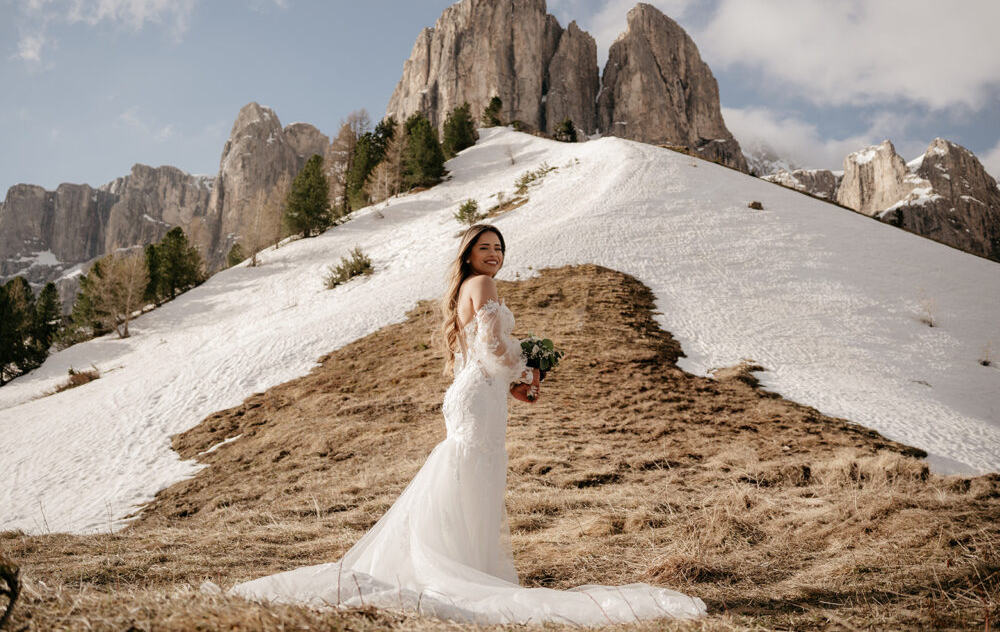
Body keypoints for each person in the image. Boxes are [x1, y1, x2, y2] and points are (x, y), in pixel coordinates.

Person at [228, 225, 706, 624]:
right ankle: (459, 571)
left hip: (474, 395)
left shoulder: (463, 290)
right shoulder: (482, 286)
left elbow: (483, 357)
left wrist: (517, 381)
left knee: (466, 472)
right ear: (469, 255)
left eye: (499, 248)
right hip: (478, 396)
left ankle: (460, 562)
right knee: (473, 473)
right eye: (485, 248)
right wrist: (528, 364)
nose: (494, 255)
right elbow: (496, 352)